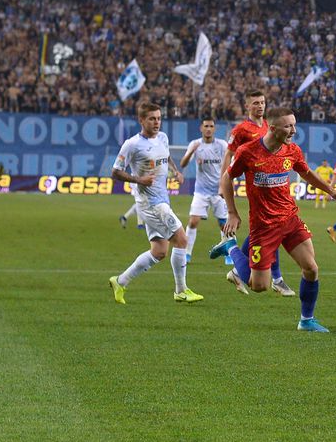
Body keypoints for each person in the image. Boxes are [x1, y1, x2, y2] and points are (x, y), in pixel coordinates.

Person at [217, 106, 336, 332]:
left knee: (311, 268)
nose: (294, 130)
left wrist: (331, 191)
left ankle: (306, 320)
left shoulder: (292, 150)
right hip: (263, 227)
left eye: (294, 125)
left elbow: (306, 173)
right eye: (288, 126)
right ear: (273, 128)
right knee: (259, 286)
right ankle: (230, 246)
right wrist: (232, 212)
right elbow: (227, 178)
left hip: (290, 219)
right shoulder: (248, 152)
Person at [108, 101, 203, 303]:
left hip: (162, 199)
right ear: (141, 120)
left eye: (159, 118)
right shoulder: (132, 144)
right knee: (182, 239)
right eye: (152, 119)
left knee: (159, 251)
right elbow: (115, 172)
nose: (156, 122)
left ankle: (120, 281)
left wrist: (175, 171)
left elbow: (166, 156)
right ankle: (181, 290)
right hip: (150, 203)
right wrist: (138, 180)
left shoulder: (163, 137)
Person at [217, 89, 295, 296]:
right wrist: (222, 183)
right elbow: (229, 155)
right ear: (247, 106)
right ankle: (277, 278)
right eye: (255, 103)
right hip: (255, 184)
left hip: (271, 185)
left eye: (262, 102)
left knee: (267, 229)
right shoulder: (241, 129)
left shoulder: (271, 126)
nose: (260, 106)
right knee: (272, 226)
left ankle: (237, 270)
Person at [179, 116, 231, 262]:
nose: (208, 129)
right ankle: (187, 254)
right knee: (193, 221)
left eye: (211, 126)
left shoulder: (222, 145)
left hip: (219, 191)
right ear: (201, 128)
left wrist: (224, 185)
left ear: (215, 129)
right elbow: (182, 164)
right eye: (206, 126)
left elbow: (229, 164)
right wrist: (191, 152)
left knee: (223, 224)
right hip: (201, 191)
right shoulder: (195, 144)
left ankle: (228, 254)